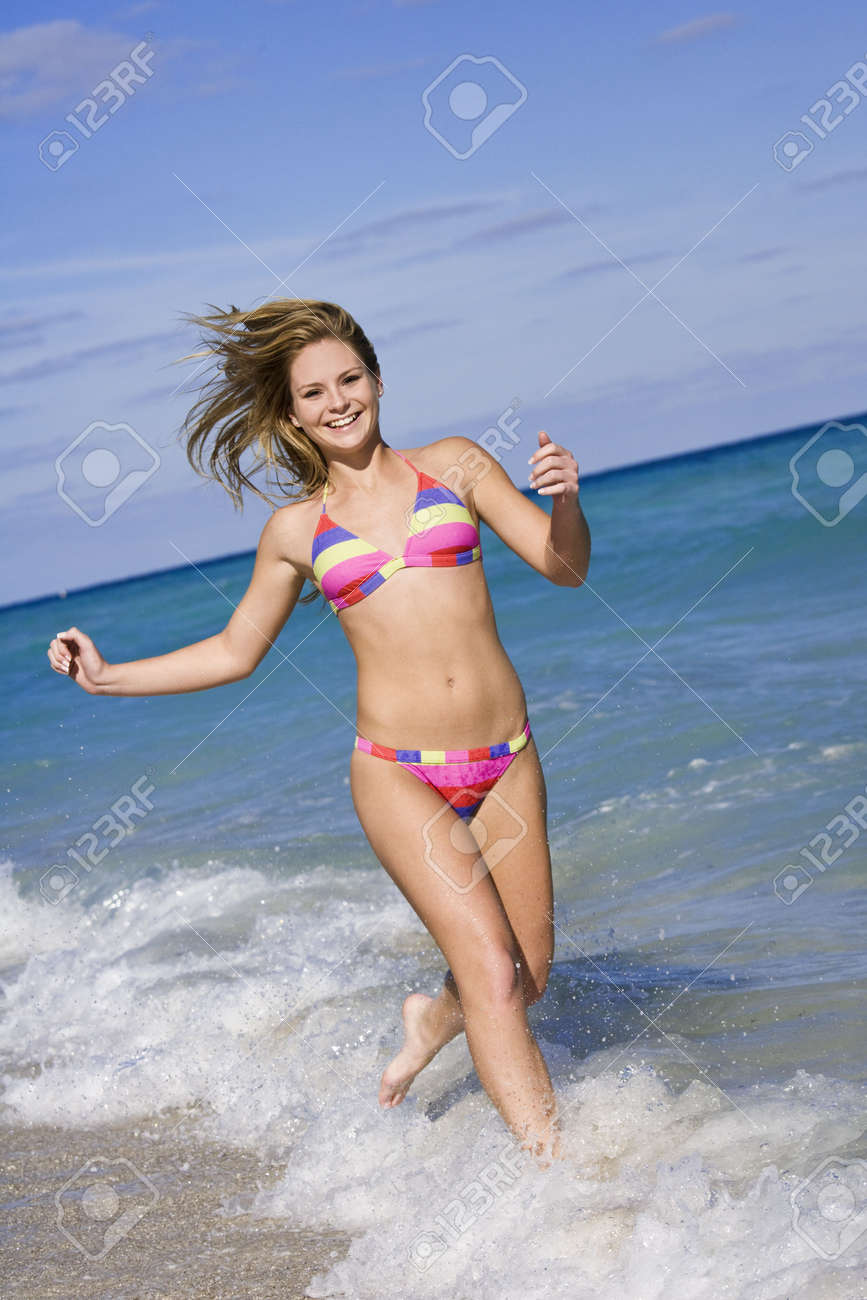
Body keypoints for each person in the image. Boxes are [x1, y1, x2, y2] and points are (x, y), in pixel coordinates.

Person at [46, 299, 591, 1165]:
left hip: (506, 756)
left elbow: (565, 568)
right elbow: (233, 651)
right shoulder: (296, 530)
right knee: (492, 974)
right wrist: (108, 678)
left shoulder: (455, 465)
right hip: (397, 771)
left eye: (349, 379)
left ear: (376, 380)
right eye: (314, 392)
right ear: (291, 413)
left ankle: (431, 1016)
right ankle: (560, 1177)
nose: (337, 401)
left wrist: (562, 501)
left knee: (528, 975)